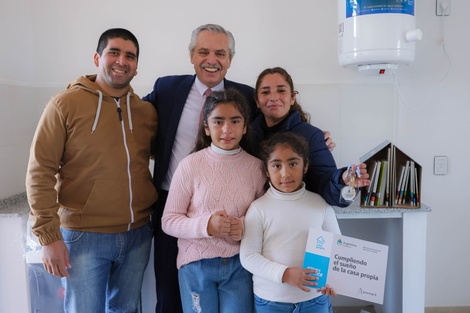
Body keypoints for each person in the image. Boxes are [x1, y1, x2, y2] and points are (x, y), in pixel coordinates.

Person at [143, 24, 335, 312]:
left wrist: (313, 136)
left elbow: (276, 124)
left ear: (230, 59)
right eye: (203, 51)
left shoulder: (246, 96)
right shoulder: (166, 88)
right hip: (176, 206)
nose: (212, 59)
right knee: (170, 297)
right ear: (192, 56)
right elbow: (131, 112)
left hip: (237, 247)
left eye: (220, 53)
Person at [25, 28, 158, 313]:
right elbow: (40, 171)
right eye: (114, 52)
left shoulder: (145, 111)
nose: (122, 61)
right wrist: (49, 237)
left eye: (130, 56)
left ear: (136, 66)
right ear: (97, 57)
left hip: (138, 234)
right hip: (84, 237)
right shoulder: (65, 104)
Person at [161, 89, 266, 312]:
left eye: (235, 121)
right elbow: (169, 221)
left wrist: (245, 227)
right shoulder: (189, 165)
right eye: (218, 122)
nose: (227, 129)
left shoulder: (257, 168)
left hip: (241, 265)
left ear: (245, 126)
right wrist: (207, 225)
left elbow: (267, 219)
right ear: (207, 128)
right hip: (195, 266)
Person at [240, 132, 341, 313]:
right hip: (271, 302)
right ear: (266, 171)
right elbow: (248, 257)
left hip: (315, 301)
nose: (285, 173)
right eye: (277, 165)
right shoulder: (258, 209)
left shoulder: (320, 205)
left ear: (305, 166)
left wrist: (332, 279)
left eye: (293, 164)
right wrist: (285, 274)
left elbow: (337, 248)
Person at [251, 67, 370, 207]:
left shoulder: (312, 136)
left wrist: (343, 180)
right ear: (257, 101)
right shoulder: (246, 135)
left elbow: (326, 187)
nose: (273, 97)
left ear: (292, 98)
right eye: (265, 92)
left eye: (281, 90)